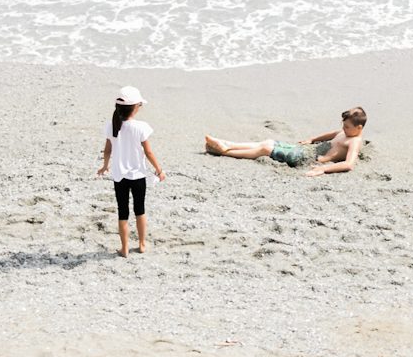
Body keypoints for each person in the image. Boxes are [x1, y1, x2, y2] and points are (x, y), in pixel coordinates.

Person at [204, 107, 368, 176]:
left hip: (306, 158)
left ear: (359, 128)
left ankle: (225, 151)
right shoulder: (344, 132)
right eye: (343, 125)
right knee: (268, 141)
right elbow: (329, 134)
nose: (343, 128)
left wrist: (324, 169)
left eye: (347, 126)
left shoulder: (354, 141)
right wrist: (311, 139)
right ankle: (227, 143)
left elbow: (349, 164)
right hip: (305, 150)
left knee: (266, 149)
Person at [99, 86, 164, 256]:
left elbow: (107, 150)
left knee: (123, 212)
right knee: (140, 210)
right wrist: (159, 170)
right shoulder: (141, 127)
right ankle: (142, 244)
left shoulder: (111, 126)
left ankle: (125, 248)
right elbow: (148, 152)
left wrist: (105, 166)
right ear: (135, 107)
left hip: (119, 176)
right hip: (138, 175)